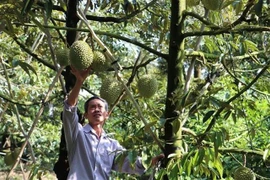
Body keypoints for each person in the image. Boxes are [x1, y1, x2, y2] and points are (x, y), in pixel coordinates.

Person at [62, 66, 164, 180]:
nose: (97, 109)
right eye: (92, 107)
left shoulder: (112, 145)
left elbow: (131, 163)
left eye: (100, 107)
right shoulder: (77, 134)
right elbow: (69, 108)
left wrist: (151, 161)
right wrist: (79, 82)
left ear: (107, 114)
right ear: (85, 115)